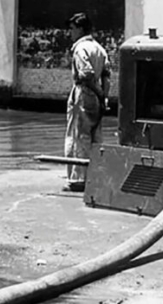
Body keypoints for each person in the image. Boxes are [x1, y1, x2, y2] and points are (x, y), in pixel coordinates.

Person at [64, 12, 111, 192]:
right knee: (95, 136)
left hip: (83, 93)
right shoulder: (99, 49)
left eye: (72, 29)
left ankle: (77, 180)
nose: (70, 33)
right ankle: (93, 176)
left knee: (77, 136)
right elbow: (107, 76)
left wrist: (98, 92)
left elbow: (86, 74)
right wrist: (104, 97)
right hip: (96, 97)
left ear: (81, 29)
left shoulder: (80, 48)